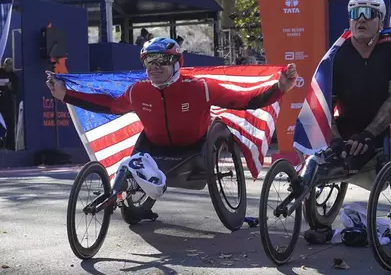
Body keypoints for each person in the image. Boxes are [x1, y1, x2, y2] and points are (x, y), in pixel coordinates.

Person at [46, 38, 298, 220]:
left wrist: (279, 88)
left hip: (195, 145)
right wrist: (65, 94)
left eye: (163, 60)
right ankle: (125, 201)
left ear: (177, 63)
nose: (155, 66)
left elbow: (244, 100)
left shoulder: (201, 88)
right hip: (153, 145)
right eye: (149, 61)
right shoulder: (138, 91)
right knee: (132, 217)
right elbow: (110, 105)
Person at [294, 0, 391, 243]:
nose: (361, 19)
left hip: (381, 127)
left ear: (381, 21)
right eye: (356, 13)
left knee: (374, 143)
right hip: (347, 123)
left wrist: (369, 134)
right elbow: (324, 104)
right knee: (321, 154)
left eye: (369, 14)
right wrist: (334, 139)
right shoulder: (338, 55)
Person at [0, 58, 19, 150]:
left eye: (10, 64)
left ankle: (10, 146)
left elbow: (15, 90)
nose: (8, 66)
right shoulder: (0, 72)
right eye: (6, 64)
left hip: (8, 103)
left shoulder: (13, 76)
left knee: (10, 124)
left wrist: (10, 87)